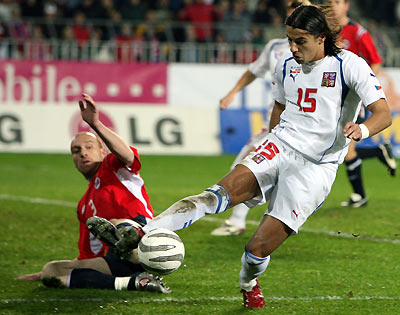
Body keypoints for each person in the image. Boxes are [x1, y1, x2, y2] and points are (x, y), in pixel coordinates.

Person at [87, 4, 392, 308]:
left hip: (315, 168)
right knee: (215, 195)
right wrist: (271, 141)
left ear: (321, 37)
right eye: (289, 39)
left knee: (257, 248)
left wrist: (362, 131)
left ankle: (248, 282)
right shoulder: (285, 65)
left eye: (301, 41)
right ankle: (140, 231)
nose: (293, 48)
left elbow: (383, 113)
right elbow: (279, 107)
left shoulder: (348, 65)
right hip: (280, 147)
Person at [16, 93, 170, 293]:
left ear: (102, 151)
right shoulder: (83, 206)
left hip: (148, 239)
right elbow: (89, 254)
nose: (82, 153)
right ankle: (135, 282)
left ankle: (137, 253)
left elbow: (128, 155)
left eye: (89, 147)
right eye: (76, 150)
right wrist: (58, 272)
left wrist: (96, 124)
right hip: (117, 259)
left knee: (115, 224)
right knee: (53, 269)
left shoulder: (114, 167)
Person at [211, 0, 310, 236]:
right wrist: (231, 94)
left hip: (304, 129)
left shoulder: (322, 49)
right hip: (274, 124)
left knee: (286, 178)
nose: (295, 10)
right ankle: (238, 221)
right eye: (291, 7)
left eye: (301, 6)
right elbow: (253, 71)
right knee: (242, 165)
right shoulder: (275, 47)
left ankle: (274, 223)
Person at [329, 0, 397, 208]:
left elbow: (375, 60)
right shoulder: (327, 30)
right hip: (333, 98)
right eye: (330, 2)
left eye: (337, 1)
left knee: (345, 149)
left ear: (347, 5)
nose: (333, 5)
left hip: (353, 100)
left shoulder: (358, 32)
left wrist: (363, 86)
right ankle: (378, 154)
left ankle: (360, 195)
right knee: (342, 149)